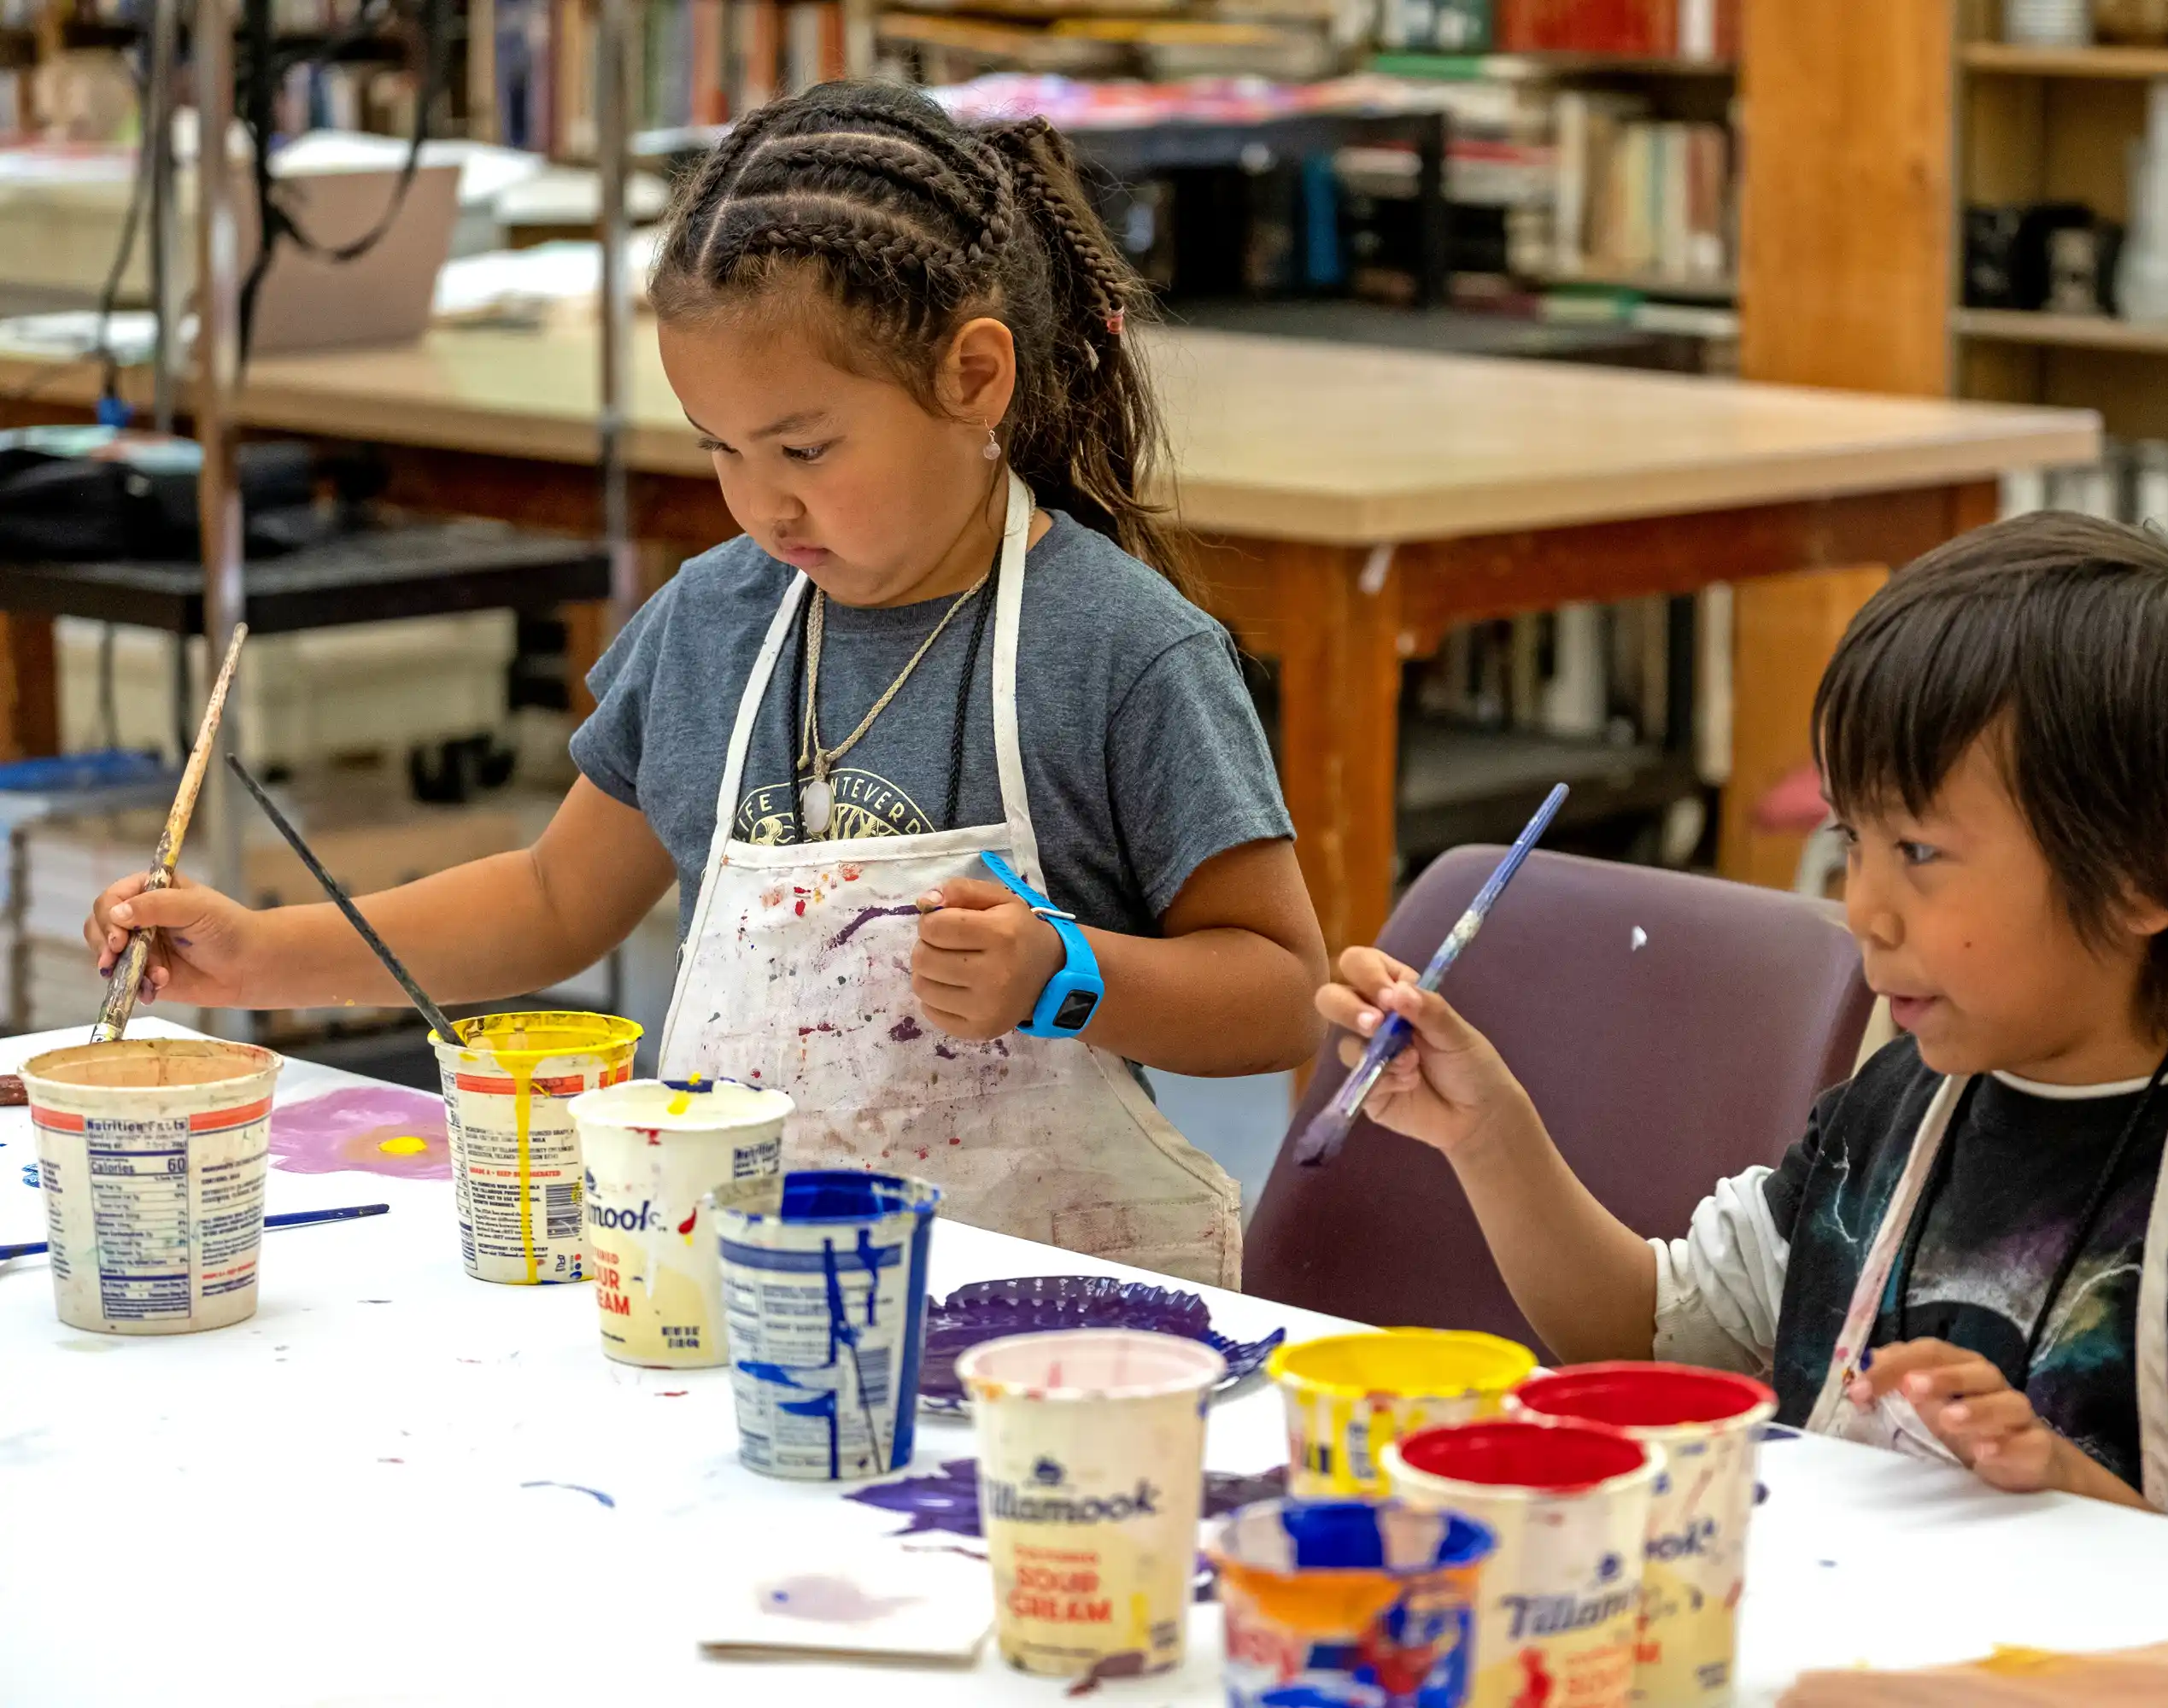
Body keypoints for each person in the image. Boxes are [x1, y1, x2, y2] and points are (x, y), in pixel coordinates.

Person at [85, 81, 1325, 1288]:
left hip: (1031, 1330)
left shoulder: (1118, 648)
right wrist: (255, 958)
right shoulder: (716, 621)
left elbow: (1279, 995)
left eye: (804, 448)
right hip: (734, 1295)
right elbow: (551, 898)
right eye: (720, 449)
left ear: (974, 378)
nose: (760, 501)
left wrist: (1067, 975)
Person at [1319, 514, 2168, 1566]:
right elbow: (1657, 1337)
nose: (1864, 905)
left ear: (2155, 874)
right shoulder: (1894, 1111)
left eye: (1918, 851)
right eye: (1850, 838)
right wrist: (1489, 1133)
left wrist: (2068, 1489)